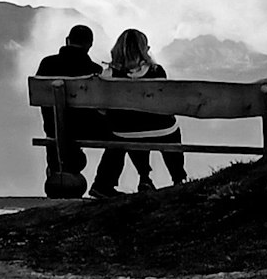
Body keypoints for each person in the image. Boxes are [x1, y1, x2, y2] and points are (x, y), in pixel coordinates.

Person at [90, 27, 186, 197]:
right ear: (144, 50)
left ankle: (143, 176)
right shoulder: (157, 71)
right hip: (162, 130)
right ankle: (179, 178)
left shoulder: (108, 75)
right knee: (168, 129)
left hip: (125, 131)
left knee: (129, 130)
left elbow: (102, 109)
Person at [34, 23, 105, 197]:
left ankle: (57, 170)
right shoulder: (94, 70)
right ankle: (104, 183)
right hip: (86, 130)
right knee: (120, 134)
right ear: (90, 45)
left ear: (67, 41)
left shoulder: (47, 63)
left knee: (55, 132)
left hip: (53, 128)